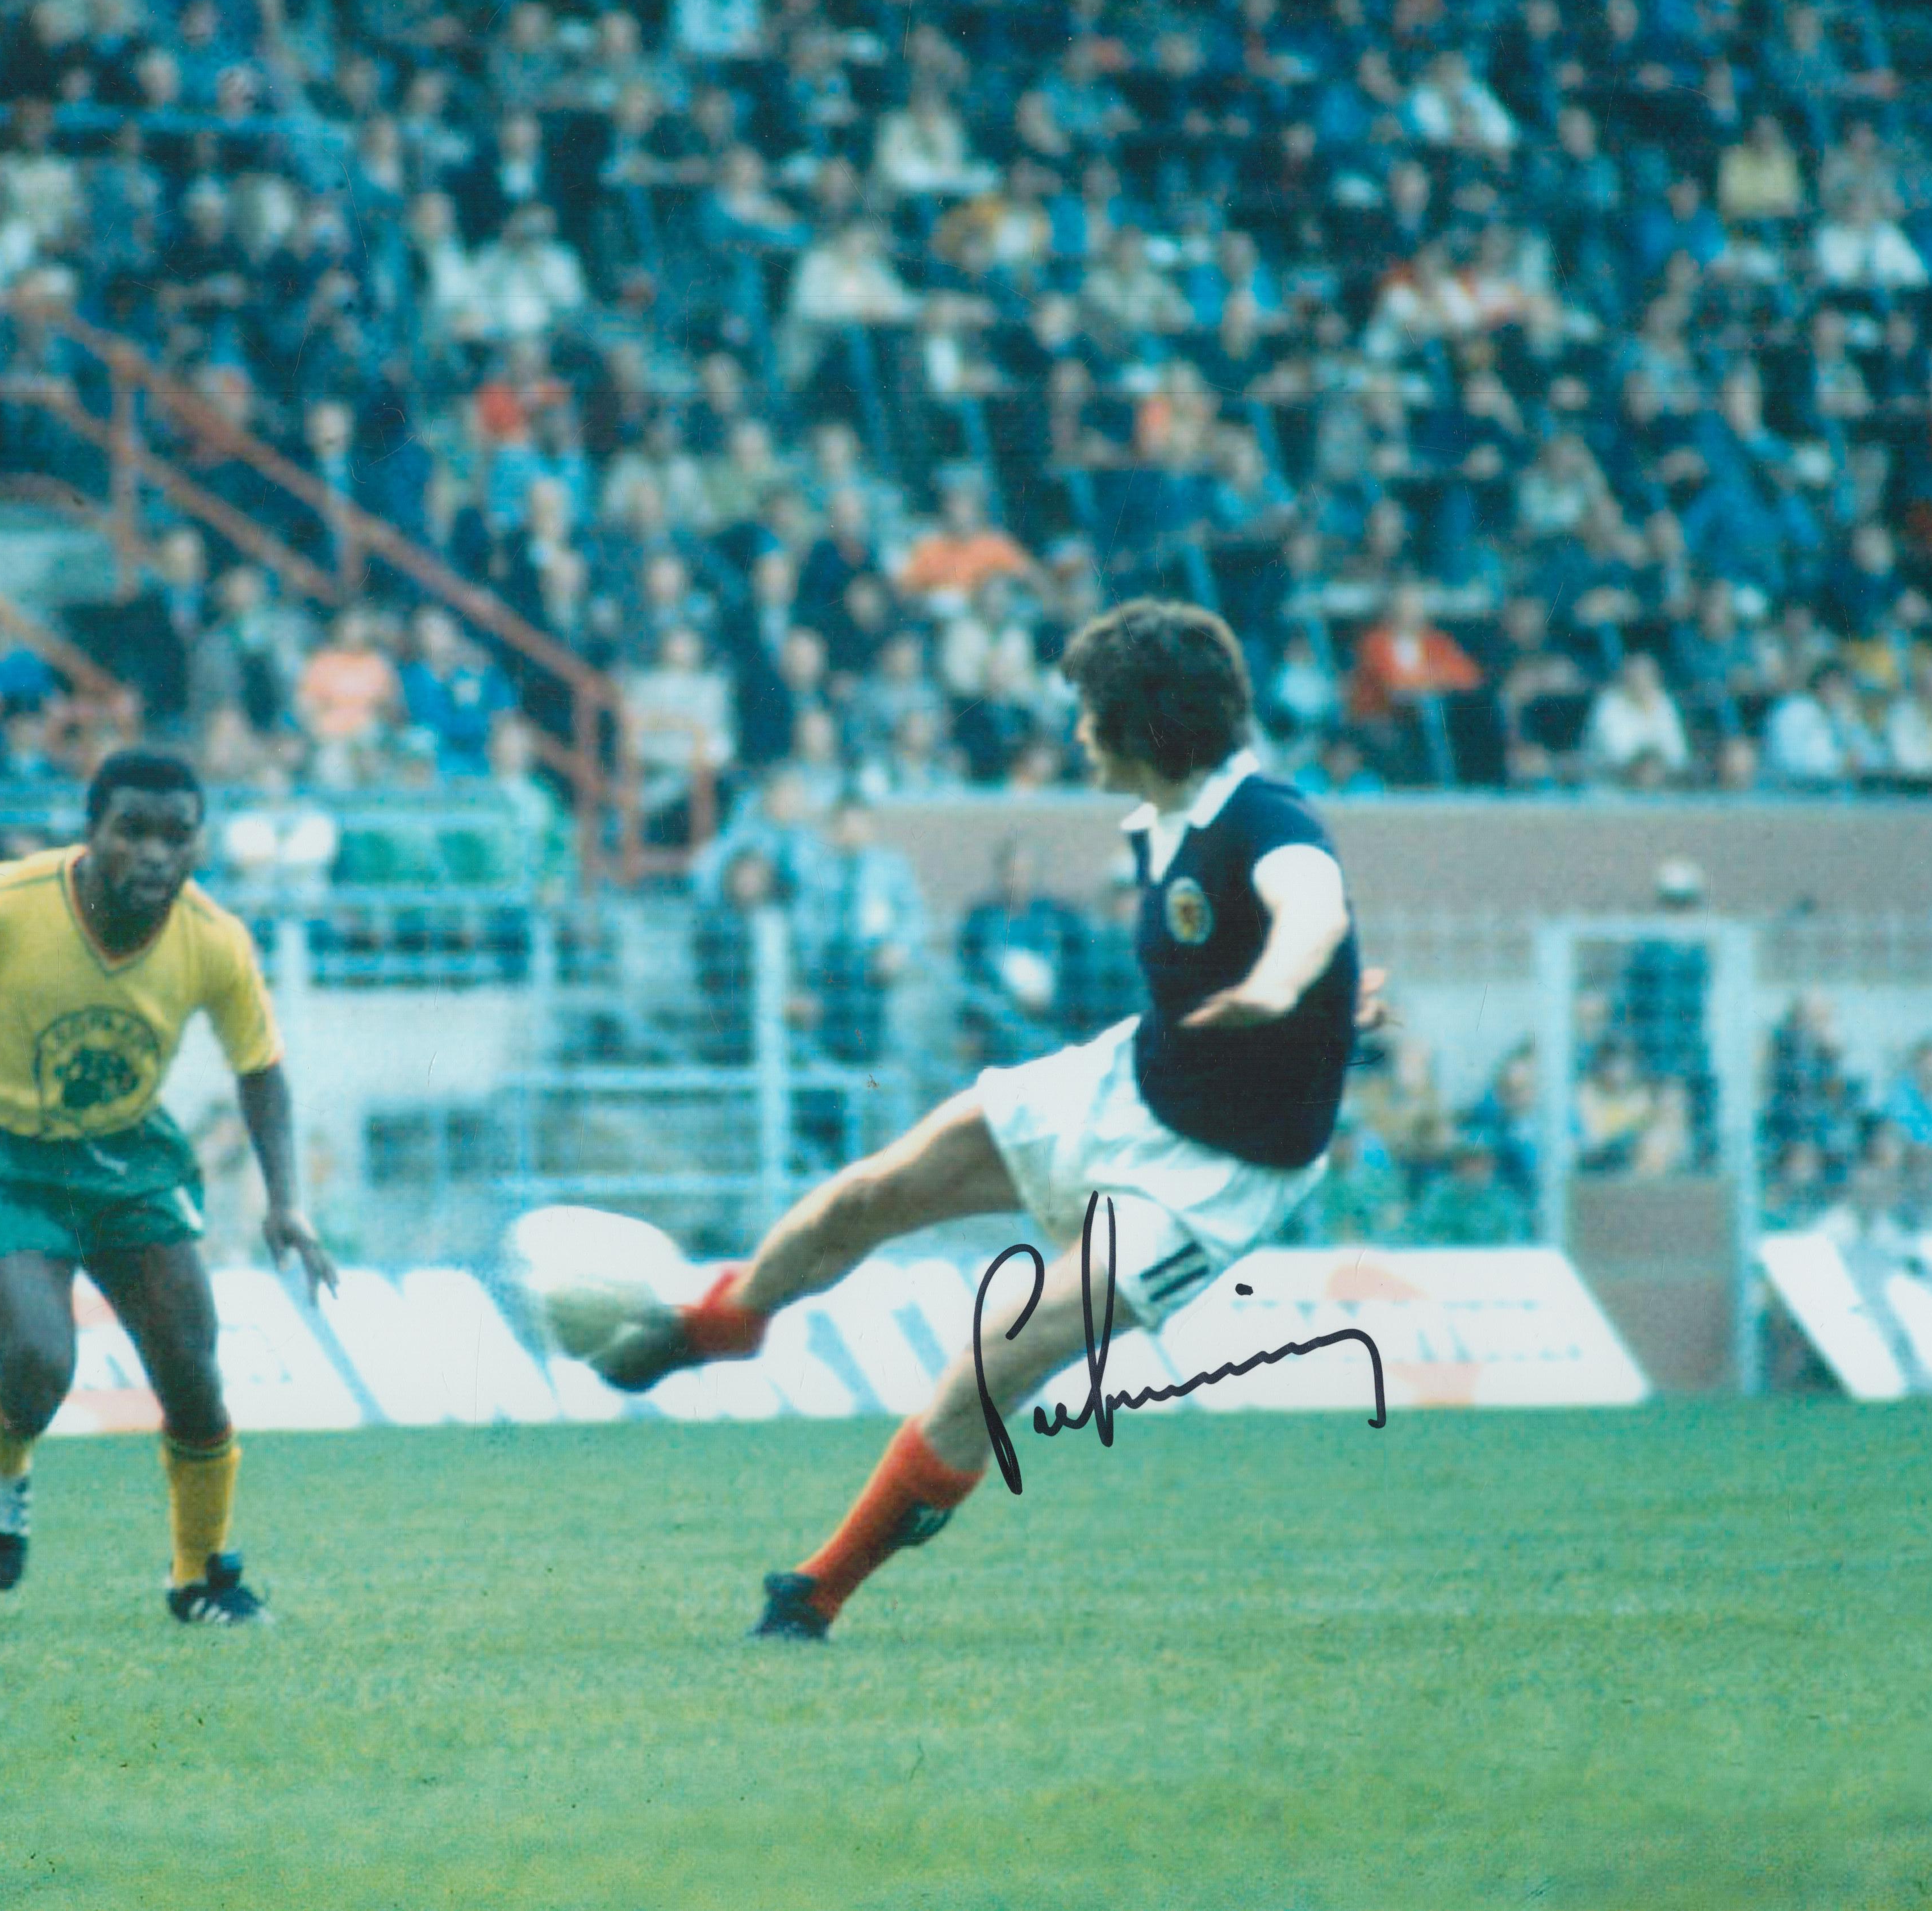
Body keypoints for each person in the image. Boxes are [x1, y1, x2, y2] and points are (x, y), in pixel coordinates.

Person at [583, 602, 1386, 1640]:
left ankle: (813, 1595)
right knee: (874, 1191)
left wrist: (1287, 985)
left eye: (1091, 715)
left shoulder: (1262, 816)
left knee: (992, 1364)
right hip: (1132, 1081)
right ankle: (724, 1321)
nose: (1077, 734)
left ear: (1142, 724)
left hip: (1213, 1178)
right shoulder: (1162, 814)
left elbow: (1313, 905)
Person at [0, 751, 336, 1626]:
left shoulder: (215, 940)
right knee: (39, 1361)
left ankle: (200, 1575)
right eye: (133, 829)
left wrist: (287, 1200)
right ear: (91, 832)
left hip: (125, 1154)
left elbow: (261, 1069)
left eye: (178, 834)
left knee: (194, 1372)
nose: (156, 854)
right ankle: (2, 1471)